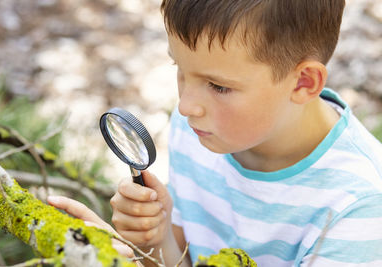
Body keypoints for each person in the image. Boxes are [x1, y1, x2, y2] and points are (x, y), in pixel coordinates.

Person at [49, 0, 382, 266]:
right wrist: (154, 241)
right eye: (180, 69)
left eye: (219, 87)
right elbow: (183, 258)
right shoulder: (199, 132)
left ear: (303, 82)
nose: (186, 107)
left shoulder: (358, 207)